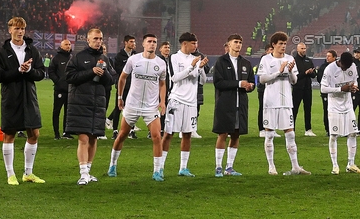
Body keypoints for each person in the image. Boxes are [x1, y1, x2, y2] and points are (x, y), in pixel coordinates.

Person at [0, 17, 47, 186]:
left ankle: (28, 173)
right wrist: (18, 70)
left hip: (29, 96)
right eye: (16, 28)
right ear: (9, 30)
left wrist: (29, 70)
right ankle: (10, 174)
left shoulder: (32, 50)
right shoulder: (2, 52)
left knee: (34, 133)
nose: (20, 31)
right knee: (9, 134)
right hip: (10, 96)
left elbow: (41, 74)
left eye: (22, 28)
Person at [108, 34, 168, 180]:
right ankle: (112, 165)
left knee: (157, 137)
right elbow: (122, 78)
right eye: (149, 41)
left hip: (150, 107)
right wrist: (120, 97)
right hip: (132, 104)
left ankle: (157, 171)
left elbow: (162, 83)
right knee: (122, 135)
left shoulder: (161, 63)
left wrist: (162, 101)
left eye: (154, 42)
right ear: (143, 44)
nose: (152, 44)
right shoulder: (133, 59)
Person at [65, 27, 114, 185]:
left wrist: (103, 74)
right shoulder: (78, 57)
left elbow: (112, 80)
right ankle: (83, 173)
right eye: (95, 39)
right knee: (83, 138)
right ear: (88, 40)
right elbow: (69, 77)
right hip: (80, 103)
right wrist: (91, 72)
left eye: (100, 39)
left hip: (97, 104)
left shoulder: (105, 58)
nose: (98, 42)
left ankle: (89, 171)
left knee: (94, 138)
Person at [259, 32, 310, 176]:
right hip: (271, 102)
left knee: (291, 134)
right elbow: (262, 79)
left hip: (286, 102)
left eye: (285, 44)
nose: (283, 46)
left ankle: (295, 167)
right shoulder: (266, 60)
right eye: (280, 43)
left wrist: (289, 71)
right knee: (269, 135)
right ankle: (271, 166)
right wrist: (278, 71)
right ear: (273, 45)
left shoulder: (289, 59)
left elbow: (294, 81)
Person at [162, 32, 208, 177]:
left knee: (187, 134)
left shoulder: (195, 58)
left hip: (191, 102)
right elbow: (175, 78)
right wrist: (191, 67)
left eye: (196, 43)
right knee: (169, 134)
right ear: (184, 44)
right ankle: (159, 167)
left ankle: (183, 168)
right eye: (193, 43)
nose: (196, 46)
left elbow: (202, 81)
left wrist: (200, 68)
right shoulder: (174, 58)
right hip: (177, 100)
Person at [212, 34, 255, 177]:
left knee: (236, 135)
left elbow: (250, 81)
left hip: (240, 104)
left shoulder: (246, 63)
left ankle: (229, 167)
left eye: (240, 42)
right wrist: (238, 84)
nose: (238, 44)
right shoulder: (221, 62)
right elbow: (218, 82)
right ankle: (218, 167)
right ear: (229, 44)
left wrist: (250, 86)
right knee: (223, 133)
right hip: (225, 103)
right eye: (235, 42)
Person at [321, 51, 360, 173]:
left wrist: (354, 87)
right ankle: (335, 165)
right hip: (334, 107)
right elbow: (323, 88)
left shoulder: (352, 66)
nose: (347, 68)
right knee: (334, 135)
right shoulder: (330, 69)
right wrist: (340, 89)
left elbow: (355, 80)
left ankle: (351, 164)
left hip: (348, 106)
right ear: (340, 62)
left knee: (352, 133)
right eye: (345, 66)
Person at [108, 35, 136, 139]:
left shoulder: (135, 55)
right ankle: (115, 130)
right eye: (131, 42)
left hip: (133, 86)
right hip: (123, 86)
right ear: (125, 43)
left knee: (132, 108)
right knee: (118, 107)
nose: (133, 44)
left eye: (134, 42)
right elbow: (118, 70)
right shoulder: (119, 56)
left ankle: (131, 130)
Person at [48, 39, 73, 140]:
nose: (68, 46)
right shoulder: (57, 58)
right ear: (61, 46)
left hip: (70, 90)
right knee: (57, 111)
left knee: (68, 112)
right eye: (66, 44)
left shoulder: (72, 58)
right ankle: (56, 133)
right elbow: (51, 71)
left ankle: (66, 132)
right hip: (60, 90)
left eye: (69, 44)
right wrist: (57, 81)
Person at [291, 42, 318, 137]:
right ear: (297, 49)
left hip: (307, 88)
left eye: (305, 48)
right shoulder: (294, 61)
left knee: (308, 109)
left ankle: (308, 129)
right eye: (302, 48)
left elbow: (314, 75)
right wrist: (305, 73)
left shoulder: (308, 60)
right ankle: (291, 129)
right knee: (294, 109)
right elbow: (295, 76)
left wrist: (311, 72)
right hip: (297, 88)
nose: (304, 50)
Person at [316, 50, 336, 136]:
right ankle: (328, 130)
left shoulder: (338, 67)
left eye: (329, 56)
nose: (327, 58)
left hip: (336, 92)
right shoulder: (323, 67)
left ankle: (337, 128)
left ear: (334, 57)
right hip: (326, 93)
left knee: (336, 111)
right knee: (327, 111)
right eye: (326, 56)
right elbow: (319, 79)